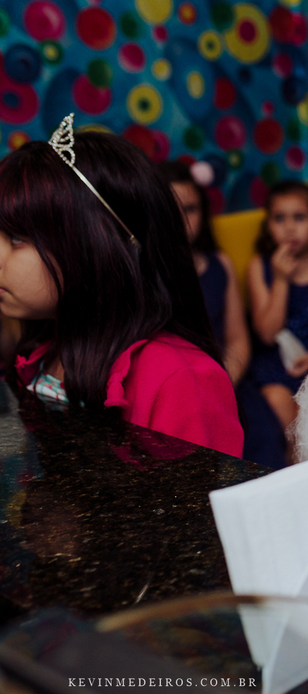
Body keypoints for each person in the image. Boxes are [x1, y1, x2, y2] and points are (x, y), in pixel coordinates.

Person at [2, 116, 242, 456]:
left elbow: (199, 506)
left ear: (97, 246)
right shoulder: (46, 346)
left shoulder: (178, 379)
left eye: (16, 238)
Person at [247, 181, 308, 434]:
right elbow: (267, 333)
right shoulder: (260, 267)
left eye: (299, 217)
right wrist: (281, 279)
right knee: (277, 403)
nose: (289, 228)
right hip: (278, 369)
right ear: (268, 225)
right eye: (279, 219)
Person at [159, 159, 251, 386]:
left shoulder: (220, 264)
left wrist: (222, 382)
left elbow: (237, 340)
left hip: (221, 381)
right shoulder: (141, 271)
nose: (181, 221)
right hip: (170, 389)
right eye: (170, 209)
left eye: (190, 209)